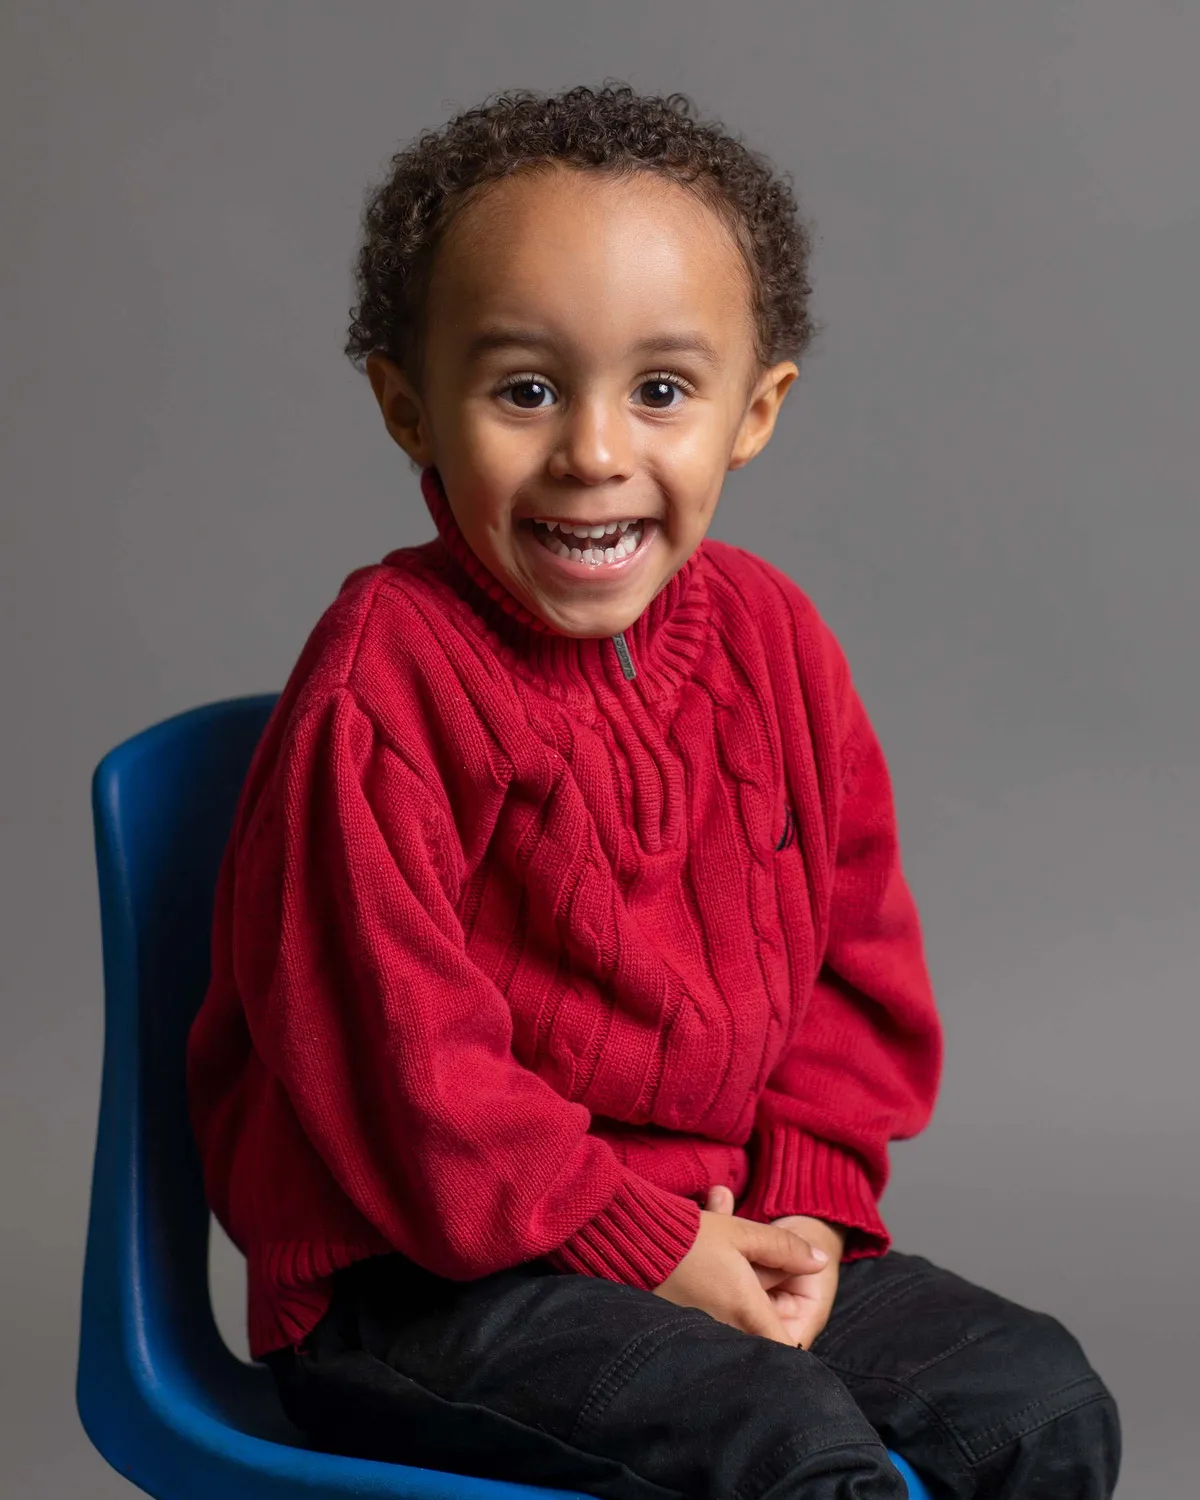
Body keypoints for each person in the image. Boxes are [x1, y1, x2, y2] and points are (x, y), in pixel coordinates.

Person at [186, 84, 1120, 1499]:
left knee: (1035, 1404)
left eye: (662, 391)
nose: (595, 452)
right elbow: (399, 1067)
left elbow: (846, 966)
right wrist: (651, 1247)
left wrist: (803, 1208)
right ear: (407, 407)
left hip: (718, 1217)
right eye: (524, 389)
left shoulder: (775, 644)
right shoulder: (383, 682)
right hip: (430, 1269)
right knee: (784, 1454)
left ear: (755, 413)